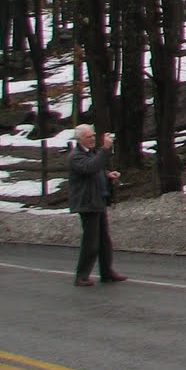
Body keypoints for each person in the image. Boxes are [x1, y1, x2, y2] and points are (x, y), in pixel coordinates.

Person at [67, 123, 126, 287]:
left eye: (93, 135)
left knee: (104, 240)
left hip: (98, 200)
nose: (93, 139)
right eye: (89, 137)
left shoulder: (90, 153)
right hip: (87, 202)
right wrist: (105, 149)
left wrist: (107, 175)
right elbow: (90, 168)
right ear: (79, 139)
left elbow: (96, 168)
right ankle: (82, 275)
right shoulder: (75, 156)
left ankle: (107, 272)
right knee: (91, 241)